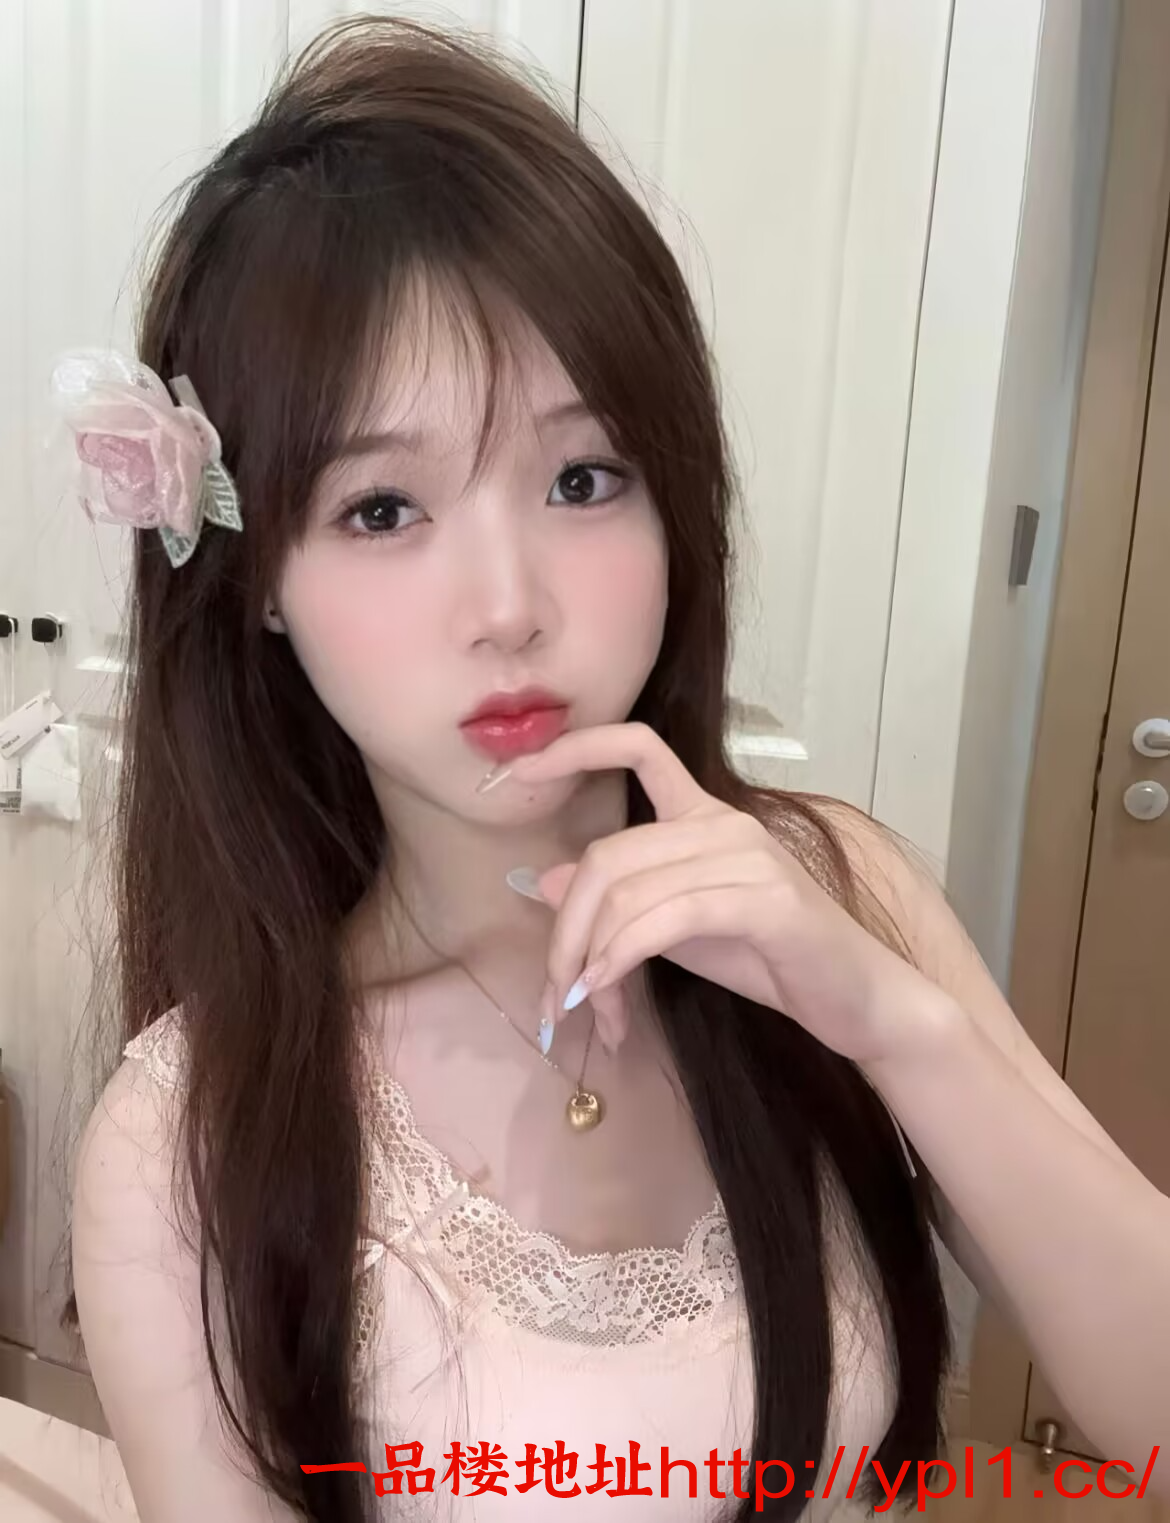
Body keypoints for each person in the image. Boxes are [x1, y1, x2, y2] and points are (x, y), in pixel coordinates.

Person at [63, 17, 1169, 1523]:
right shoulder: (189, 1132)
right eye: (383, 509)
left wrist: (896, 1026)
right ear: (259, 579)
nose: (510, 605)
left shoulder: (835, 891)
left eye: (582, 477)